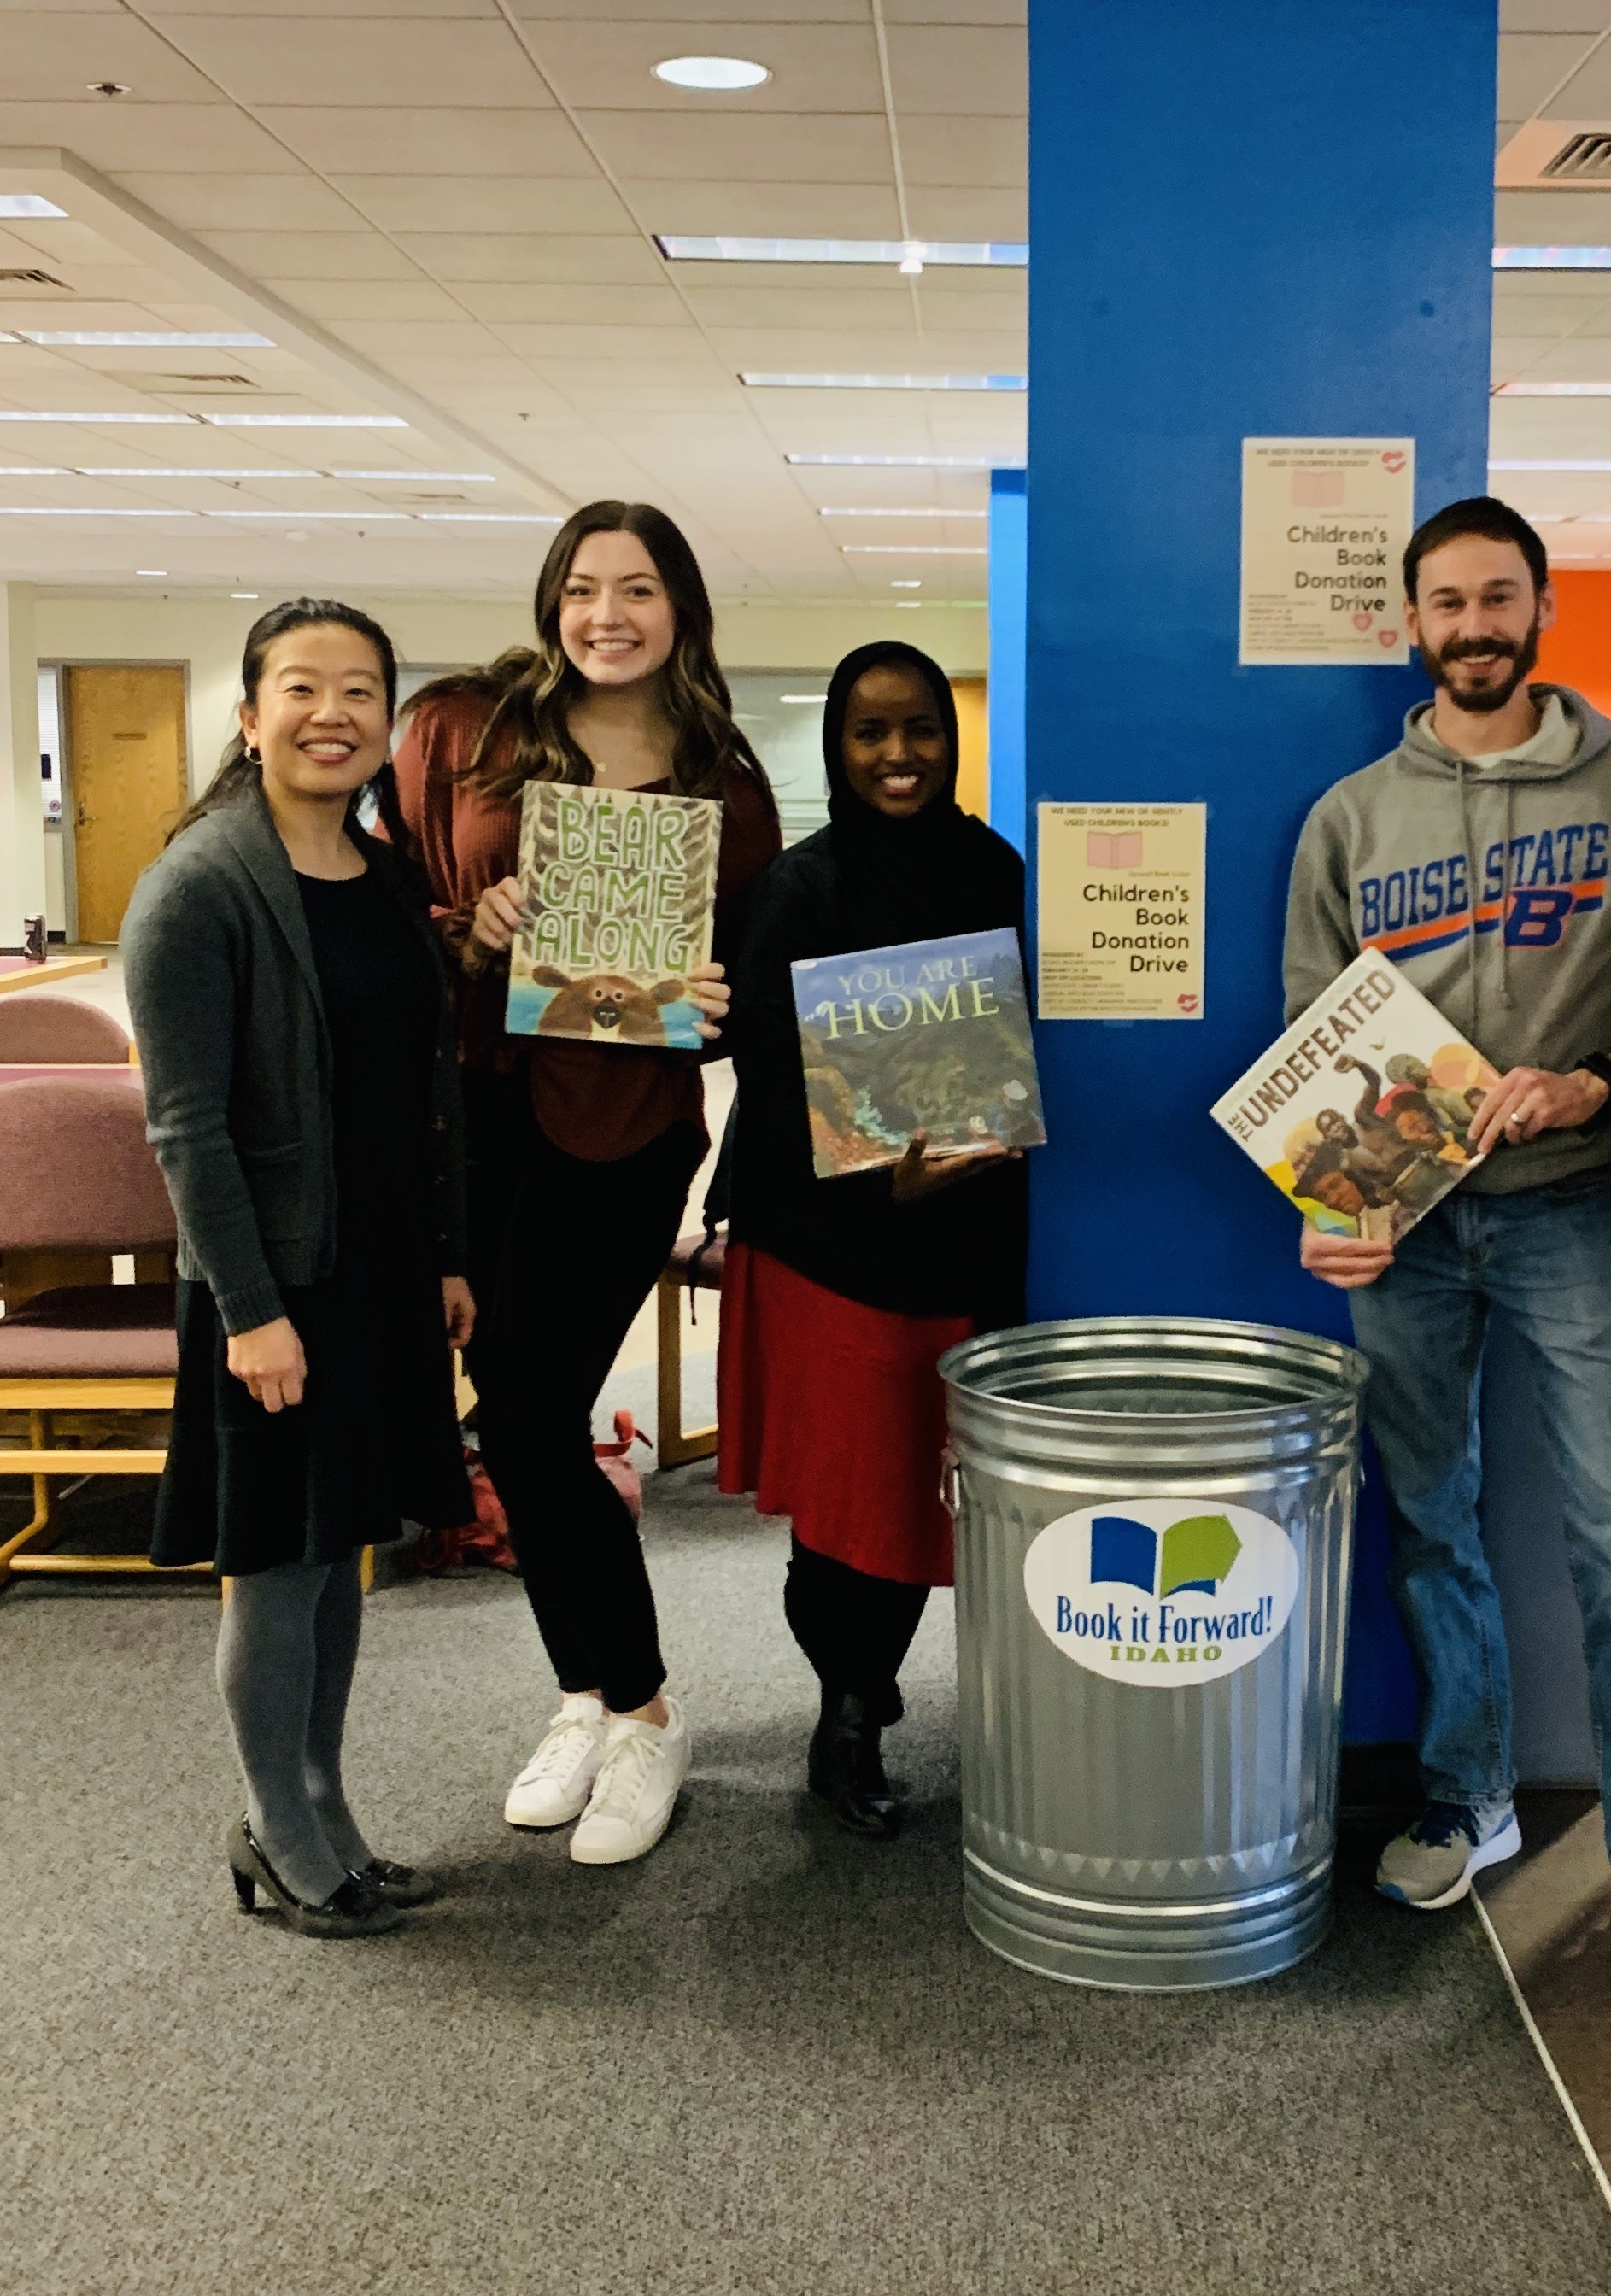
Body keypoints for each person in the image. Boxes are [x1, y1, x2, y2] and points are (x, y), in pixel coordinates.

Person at [1286, 495, 1611, 1990]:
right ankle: (1468, 1795)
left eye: (1499, 598)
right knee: (1432, 1522)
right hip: (1405, 1235)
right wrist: (1333, 1210)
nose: (1473, 626)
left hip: (1564, 1213)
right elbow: (1316, 1043)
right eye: (1447, 604)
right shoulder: (1353, 816)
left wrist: (1602, 1077)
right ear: (1409, 623)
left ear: (1541, 609)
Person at [395, 501, 782, 1866]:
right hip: (478, 1117)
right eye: (582, 588)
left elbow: (748, 977)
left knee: (538, 1411)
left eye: (636, 590)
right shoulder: (470, 732)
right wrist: (472, 922)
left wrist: (721, 1001)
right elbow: (394, 902)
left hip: (622, 1131)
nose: (605, 614)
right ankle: (588, 1697)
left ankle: (646, 1708)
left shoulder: (723, 780)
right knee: (512, 1420)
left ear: (681, 608)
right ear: (550, 599)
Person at [125, 599, 474, 1938]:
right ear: (250, 713)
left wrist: (440, 1255)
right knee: (277, 1561)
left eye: (362, 692)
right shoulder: (202, 883)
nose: (334, 714)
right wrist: (251, 1311)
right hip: (278, 1283)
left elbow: (417, 1085)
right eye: (303, 689)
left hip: (379, 1269)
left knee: (345, 1551)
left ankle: (323, 1807)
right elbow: (187, 1128)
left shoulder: (380, 872)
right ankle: (278, 1831)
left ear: (389, 719)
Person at [718, 641, 1027, 1838]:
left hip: (965, 1240)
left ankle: (861, 1697)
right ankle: (849, 1713)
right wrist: (873, 1187)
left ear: (951, 744)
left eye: (922, 731)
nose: (899, 755)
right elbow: (762, 1068)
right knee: (849, 1511)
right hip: (835, 1245)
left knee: (917, 1498)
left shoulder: (992, 867)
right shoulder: (800, 888)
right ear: (839, 748)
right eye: (870, 732)